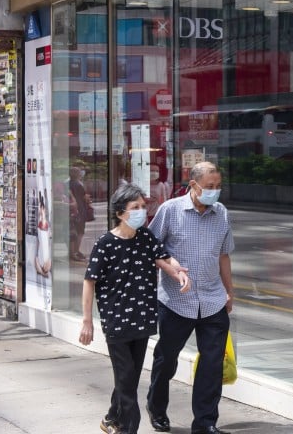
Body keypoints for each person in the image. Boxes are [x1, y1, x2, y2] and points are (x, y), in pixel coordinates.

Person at [79, 183, 190, 434]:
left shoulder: (146, 237)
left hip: (142, 319)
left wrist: (178, 271)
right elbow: (89, 282)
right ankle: (129, 428)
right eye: (135, 207)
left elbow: (163, 258)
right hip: (117, 322)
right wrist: (87, 321)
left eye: (143, 206)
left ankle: (111, 418)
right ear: (120, 213)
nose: (142, 211)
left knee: (128, 378)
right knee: (128, 382)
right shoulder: (105, 243)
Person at [146, 161, 235, 434]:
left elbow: (224, 255)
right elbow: (153, 249)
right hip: (176, 302)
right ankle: (156, 407)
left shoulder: (221, 213)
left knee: (211, 364)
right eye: (209, 187)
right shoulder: (170, 211)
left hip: (212, 300)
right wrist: (173, 270)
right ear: (193, 185)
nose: (214, 192)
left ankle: (206, 423)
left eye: (218, 186)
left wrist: (229, 292)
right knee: (167, 359)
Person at [68, 164, 93, 262]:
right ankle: (76, 251)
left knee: (73, 232)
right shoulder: (78, 184)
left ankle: (72, 251)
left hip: (72, 210)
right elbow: (84, 197)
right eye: (79, 172)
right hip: (80, 210)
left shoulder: (69, 183)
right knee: (80, 232)